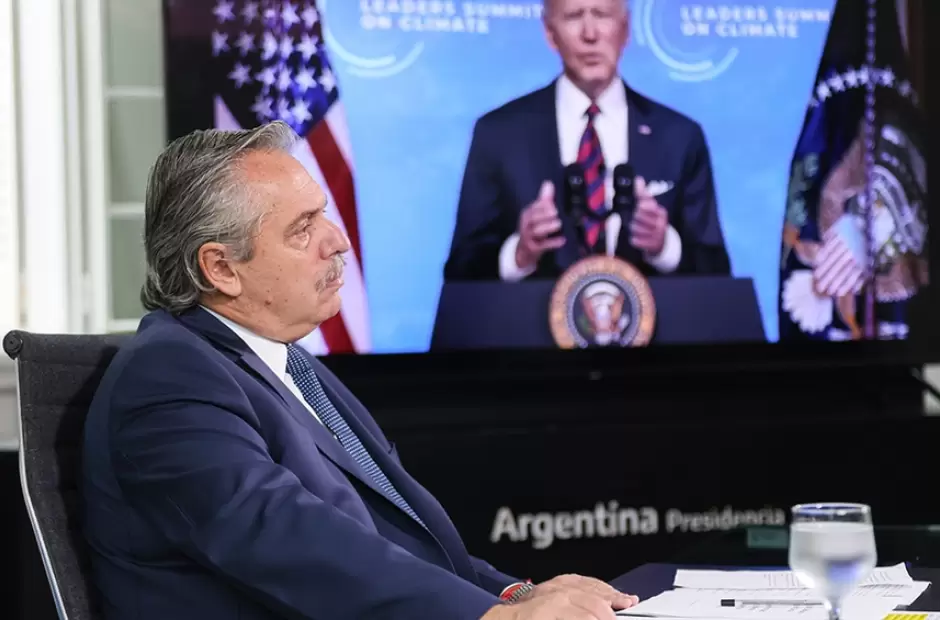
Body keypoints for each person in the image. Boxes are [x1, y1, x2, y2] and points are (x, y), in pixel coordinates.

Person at [81, 121, 640, 620]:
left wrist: (515, 595)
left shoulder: (287, 363)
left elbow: (398, 542)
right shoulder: (169, 376)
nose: (339, 240)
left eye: (323, 213)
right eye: (303, 228)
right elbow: (293, 544)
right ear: (221, 268)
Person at [444, 0, 731, 281]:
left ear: (625, 29)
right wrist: (520, 254)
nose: (590, 34)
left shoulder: (679, 137)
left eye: (602, 14)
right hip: (529, 313)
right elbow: (460, 273)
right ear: (550, 33)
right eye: (573, 16)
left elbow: (717, 273)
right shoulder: (499, 134)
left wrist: (664, 247)